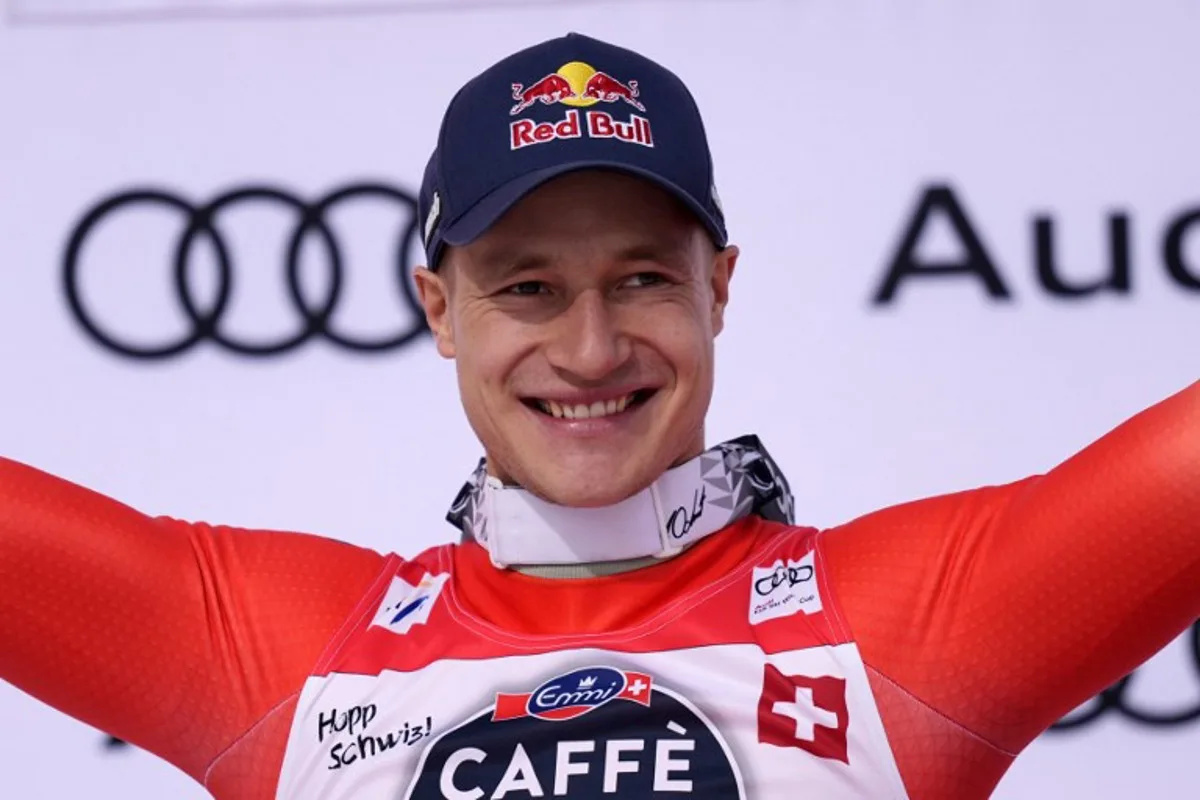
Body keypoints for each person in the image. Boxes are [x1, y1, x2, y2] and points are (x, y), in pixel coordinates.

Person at [0, 31, 1197, 800]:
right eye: (527, 286)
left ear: (718, 287)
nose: (589, 347)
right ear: (439, 306)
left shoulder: (909, 627)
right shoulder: (284, 655)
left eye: (642, 278)